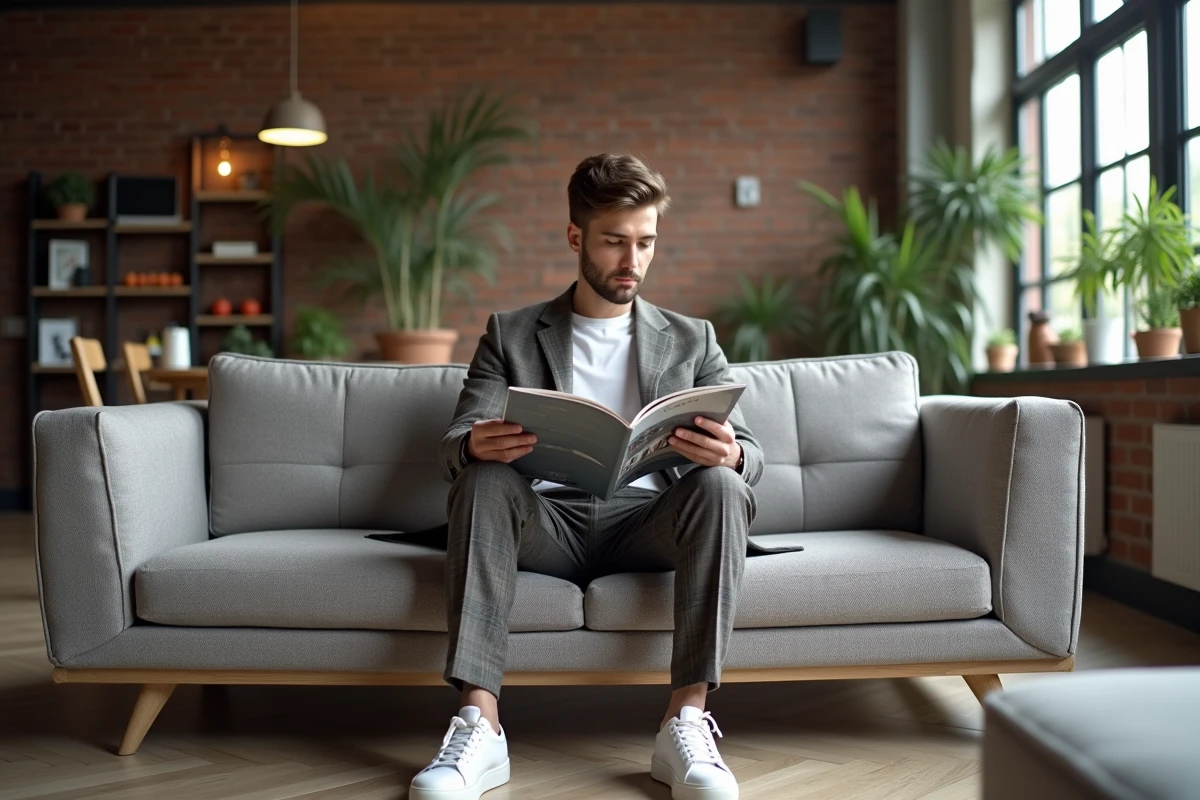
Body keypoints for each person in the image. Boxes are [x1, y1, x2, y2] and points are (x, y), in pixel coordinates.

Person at [410, 153, 788, 800]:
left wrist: (731, 454)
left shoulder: (692, 339)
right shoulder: (512, 334)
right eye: (615, 241)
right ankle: (480, 724)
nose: (631, 261)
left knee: (723, 485)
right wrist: (476, 443)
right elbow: (453, 441)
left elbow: (751, 450)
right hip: (546, 522)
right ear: (576, 237)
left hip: (648, 523)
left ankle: (687, 720)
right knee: (482, 479)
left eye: (645, 243)